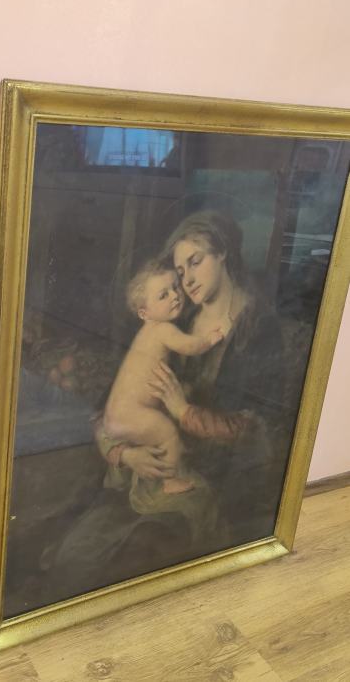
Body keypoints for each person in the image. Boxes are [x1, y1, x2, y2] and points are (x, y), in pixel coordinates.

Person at [43, 209, 290, 603]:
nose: (186, 280)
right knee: (76, 554)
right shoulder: (175, 316)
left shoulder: (257, 328)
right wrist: (125, 455)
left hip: (214, 481)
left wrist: (182, 411)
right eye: (179, 270)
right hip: (146, 468)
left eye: (196, 261)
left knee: (135, 561)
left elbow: (258, 430)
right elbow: (111, 409)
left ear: (223, 252)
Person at [104, 259, 224, 507]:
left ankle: (123, 477)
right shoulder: (162, 329)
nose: (175, 296)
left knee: (158, 436)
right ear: (144, 313)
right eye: (163, 295)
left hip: (117, 413)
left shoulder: (145, 334)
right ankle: (169, 481)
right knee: (167, 433)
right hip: (132, 413)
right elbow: (189, 346)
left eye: (175, 287)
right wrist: (210, 339)